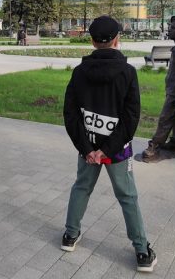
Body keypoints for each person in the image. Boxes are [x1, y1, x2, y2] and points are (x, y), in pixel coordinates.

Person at [62, 15, 157, 273]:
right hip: (116, 150)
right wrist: (105, 150)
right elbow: (131, 117)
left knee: (81, 187)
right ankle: (141, 251)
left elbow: (70, 115)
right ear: (117, 40)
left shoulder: (79, 72)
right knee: (127, 196)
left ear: (92, 41)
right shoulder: (128, 73)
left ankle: (70, 235)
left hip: (88, 147)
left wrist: (88, 149)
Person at [141, 16, 175, 160]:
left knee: (165, 118)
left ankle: (155, 145)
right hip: (172, 89)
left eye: (173, 28)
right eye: (170, 27)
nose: (169, 30)